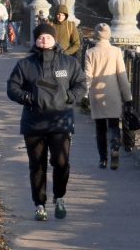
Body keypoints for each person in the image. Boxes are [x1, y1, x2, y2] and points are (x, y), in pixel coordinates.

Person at [7, 22, 88, 221]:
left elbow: (81, 84)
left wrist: (69, 97)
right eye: (41, 37)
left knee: (61, 162)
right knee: (37, 165)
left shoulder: (68, 63)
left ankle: (59, 197)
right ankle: (39, 204)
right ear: (36, 40)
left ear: (55, 39)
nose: (44, 40)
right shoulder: (25, 65)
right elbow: (12, 88)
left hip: (61, 121)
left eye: (48, 37)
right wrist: (29, 98)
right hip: (34, 123)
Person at [83, 23, 133, 170]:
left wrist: (85, 94)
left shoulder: (90, 52)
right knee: (113, 124)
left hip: (96, 95)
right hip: (113, 94)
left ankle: (103, 159)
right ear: (109, 35)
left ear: (96, 35)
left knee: (100, 128)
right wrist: (128, 97)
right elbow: (122, 76)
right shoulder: (116, 51)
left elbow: (88, 76)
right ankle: (115, 147)